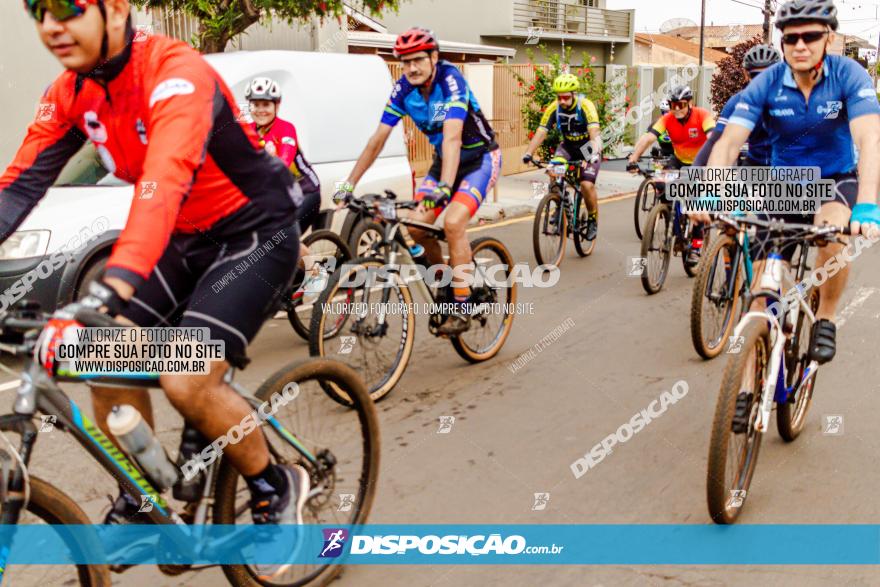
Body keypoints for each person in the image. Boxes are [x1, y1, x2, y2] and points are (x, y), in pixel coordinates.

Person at [2, 0, 309, 555]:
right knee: (99, 356)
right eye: (37, 10)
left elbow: (162, 184)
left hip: (253, 234)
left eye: (65, 8)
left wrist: (110, 286)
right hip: (181, 237)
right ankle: (143, 499)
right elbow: (18, 187)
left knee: (188, 378)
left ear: (115, 9)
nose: (50, 25)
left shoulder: (175, 73)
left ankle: (273, 479)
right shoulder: (71, 93)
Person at [704, 0, 880, 364]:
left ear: (827, 38)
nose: (800, 45)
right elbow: (729, 142)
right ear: (783, 42)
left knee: (832, 235)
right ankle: (747, 389)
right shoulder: (766, 82)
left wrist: (867, 202)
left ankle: (826, 318)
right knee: (762, 296)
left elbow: (869, 138)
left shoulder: (849, 75)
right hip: (784, 187)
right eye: (791, 37)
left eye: (810, 36)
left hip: (834, 180)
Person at [334, 27, 502, 335]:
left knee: (453, 223)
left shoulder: (451, 81)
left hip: (479, 160)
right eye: (405, 61)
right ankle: (445, 286)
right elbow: (378, 140)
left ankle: (462, 306)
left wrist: (444, 189)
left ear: (434, 57)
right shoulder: (403, 90)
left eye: (418, 60)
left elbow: (452, 138)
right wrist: (348, 184)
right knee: (413, 228)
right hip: (444, 164)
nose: (411, 67)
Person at [245, 77, 327, 303]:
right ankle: (280, 286)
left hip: (306, 192)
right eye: (256, 104)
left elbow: (283, 161)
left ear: (276, 106)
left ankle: (317, 272)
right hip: (278, 197)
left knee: (282, 236)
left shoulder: (285, 129)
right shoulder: (249, 132)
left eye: (266, 104)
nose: (261, 110)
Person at [628, 86, 716, 264]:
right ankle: (671, 220)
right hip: (679, 159)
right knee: (661, 184)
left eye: (680, 105)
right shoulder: (668, 118)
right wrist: (633, 159)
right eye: (672, 105)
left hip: (700, 162)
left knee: (694, 202)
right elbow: (648, 138)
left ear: (689, 103)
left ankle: (697, 246)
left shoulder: (702, 115)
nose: (676, 109)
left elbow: (712, 137)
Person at [522, 73, 603, 241]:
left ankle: (592, 219)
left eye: (565, 97)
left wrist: (593, 154)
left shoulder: (586, 106)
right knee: (553, 171)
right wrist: (529, 153)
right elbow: (541, 132)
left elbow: (594, 132)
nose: (562, 101)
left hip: (588, 147)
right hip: (567, 147)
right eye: (559, 97)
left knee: (586, 185)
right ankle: (559, 204)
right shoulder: (554, 108)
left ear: (574, 94)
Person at [693, 45, 781, 167]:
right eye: (755, 76)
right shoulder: (737, 101)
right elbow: (715, 141)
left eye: (768, 75)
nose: (762, 81)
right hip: (754, 165)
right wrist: (693, 173)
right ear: (746, 74)